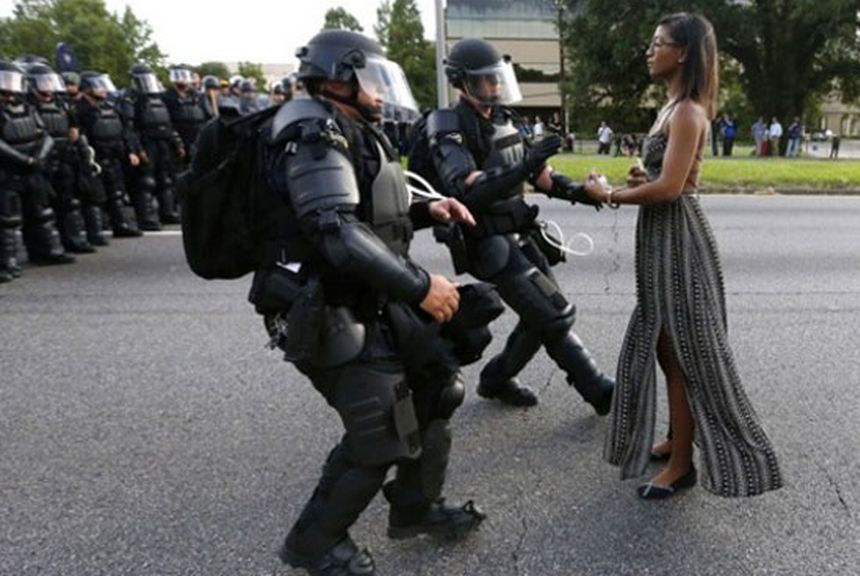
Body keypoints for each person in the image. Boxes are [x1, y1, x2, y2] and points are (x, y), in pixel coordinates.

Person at [256, 30, 486, 576]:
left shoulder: (350, 127)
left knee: (437, 387)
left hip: (368, 294)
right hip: (325, 304)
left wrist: (431, 212)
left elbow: (366, 211)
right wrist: (421, 287)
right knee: (381, 429)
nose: (381, 93)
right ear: (338, 77)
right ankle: (315, 544)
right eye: (372, 81)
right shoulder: (311, 131)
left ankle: (414, 507)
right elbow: (334, 229)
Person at [585, 13, 783, 500]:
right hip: (660, 237)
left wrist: (609, 194)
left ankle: (682, 465)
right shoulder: (670, 108)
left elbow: (673, 188)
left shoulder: (690, 111)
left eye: (660, 43)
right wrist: (640, 177)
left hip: (679, 239)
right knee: (664, 346)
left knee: (686, 353)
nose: (651, 51)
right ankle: (678, 438)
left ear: (685, 52)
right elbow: (661, 177)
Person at [426, 37, 615, 413]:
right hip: (487, 242)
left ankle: (496, 379)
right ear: (462, 82)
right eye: (485, 80)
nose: (494, 86)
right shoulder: (448, 124)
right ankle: (600, 392)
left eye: (497, 79)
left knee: (540, 315)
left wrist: (583, 193)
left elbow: (542, 176)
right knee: (554, 314)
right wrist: (525, 165)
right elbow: (466, 190)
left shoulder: (505, 119)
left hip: (520, 233)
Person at [1, 59, 77, 284]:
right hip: (7, 171)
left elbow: (45, 135)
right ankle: (7, 262)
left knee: (41, 212)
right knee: (7, 219)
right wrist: (24, 159)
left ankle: (47, 251)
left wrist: (38, 158)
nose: (8, 87)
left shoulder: (27, 107)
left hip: (32, 168)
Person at [25, 62, 95, 254]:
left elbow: (75, 126)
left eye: (49, 81)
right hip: (40, 160)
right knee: (40, 207)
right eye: (42, 82)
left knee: (68, 202)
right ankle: (43, 249)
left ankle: (71, 240)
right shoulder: (27, 106)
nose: (47, 87)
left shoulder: (62, 103)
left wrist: (75, 133)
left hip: (64, 157)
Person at [76, 71, 143, 240]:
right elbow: (77, 135)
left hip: (113, 156)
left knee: (116, 193)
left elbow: (123, 131)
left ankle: (121, 225)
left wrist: (130, 151)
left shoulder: (109, 107)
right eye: (98, 86)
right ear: (86, 88)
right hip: (93, 159)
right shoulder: (79, 109)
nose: (103, 90)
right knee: (94, 197)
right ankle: (95, 232)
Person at [121, 63, 185, 228]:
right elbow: (129, 127)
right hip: (146, 142)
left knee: (166, 179)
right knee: (146, 181)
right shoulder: (131, 99)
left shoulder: (159, 98)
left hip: (163, 142)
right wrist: (137, 149)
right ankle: (147, 217)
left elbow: (168, 123)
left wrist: (177, 143)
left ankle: (168, 212)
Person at [162, 65, 206, 162]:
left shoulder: (197, 96)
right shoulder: (167, 97)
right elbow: (166, 121)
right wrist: (177, 142)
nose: (182, 82)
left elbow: (208, 116)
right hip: (177, 139)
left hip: (197, 139)